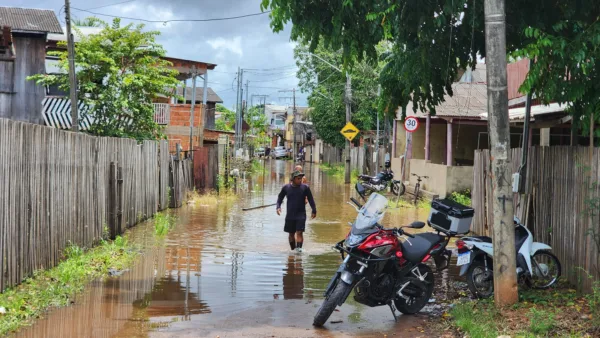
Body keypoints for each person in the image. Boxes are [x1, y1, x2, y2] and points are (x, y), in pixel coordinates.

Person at [277, 170, 317, 252]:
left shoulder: (305, 188)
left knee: (299, 232)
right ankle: (293, 250)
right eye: (298, 178)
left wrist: (314, 210)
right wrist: (278, 207)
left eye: (301, 178)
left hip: (301, 214)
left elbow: (310, 199)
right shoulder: (286, 188)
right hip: (290, 215)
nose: (300, 180)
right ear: (293, 179)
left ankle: (298, 252)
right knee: (291, 234)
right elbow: (280, 197)